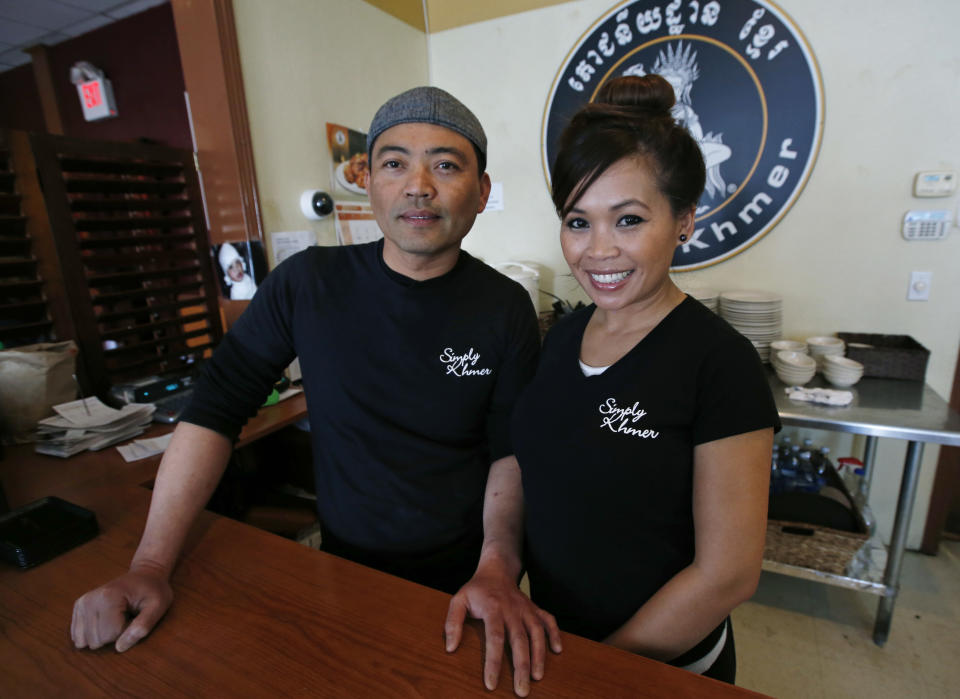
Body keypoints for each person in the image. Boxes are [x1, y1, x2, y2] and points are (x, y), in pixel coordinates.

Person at [71, 86, 560, 697]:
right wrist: (148, 566)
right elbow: (214, 411)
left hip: (465, 575)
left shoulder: (505, 307)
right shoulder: (308, 283)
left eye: (445, 164)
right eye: (394, 163)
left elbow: (507, 452)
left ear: (481, 192)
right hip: (339, 565)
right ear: (370, 183)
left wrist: (497, 567)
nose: (418, 185)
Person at [509, 75, 780, 683]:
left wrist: (599, 668)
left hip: (660, 668)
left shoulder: (720, 364)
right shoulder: (564, 339)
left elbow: (729, 574)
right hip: (553, 645)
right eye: (577, 222)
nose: (597, 251)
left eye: (627, 220)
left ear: (684, 220)